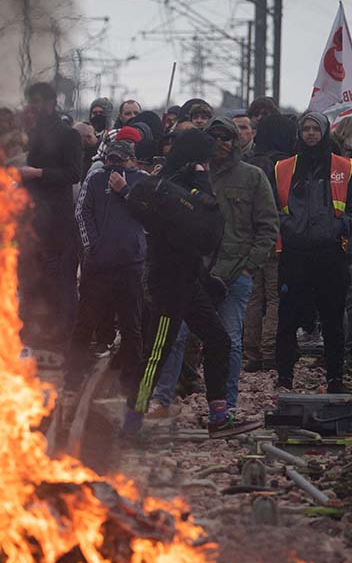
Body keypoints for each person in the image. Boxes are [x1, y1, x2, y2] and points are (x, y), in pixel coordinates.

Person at [110, 129, 262, 439]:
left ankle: (219, 416)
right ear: (194, 159)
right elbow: (186, 221)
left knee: (218, 340)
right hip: (169, 284)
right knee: (156, 354)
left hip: (190, 280)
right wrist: (126, 192)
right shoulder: (170, 186)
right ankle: (132, 421)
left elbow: (203, 228)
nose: (207, 166)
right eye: (204, 160)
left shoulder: (181, 184)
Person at [145, 116, 278, 418]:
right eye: (214, 137)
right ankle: (161, 400)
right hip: (194, 273)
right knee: (175, 338)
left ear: (235, 141)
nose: (221, 143)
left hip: (234, 275)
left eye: (226, 137)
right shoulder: (190, 176)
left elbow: (268, 227)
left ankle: (225, 406)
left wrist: (249, 267)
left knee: (229, 340)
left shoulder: (253, 177)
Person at [64, 138, 148, 396]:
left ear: (131, 160)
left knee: (131, 325)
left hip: (130, 264)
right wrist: (92, 247)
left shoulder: (141, 180)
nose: (115, 165)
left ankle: (130, 382)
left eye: (121, 160)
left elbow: (150, 212)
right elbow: (81, 213)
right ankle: (73, 378)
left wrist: (125, 190)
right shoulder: (95, 179)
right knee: (85, 322)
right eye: (111, 159)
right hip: (98, 264)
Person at [274, 112, 352, 392]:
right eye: (305, 129)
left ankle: (334, 377)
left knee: (332, 318)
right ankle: (284, 377)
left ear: (324, 132)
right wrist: (289, 227)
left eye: (315, 129)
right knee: (288, 318)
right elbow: (273, 209)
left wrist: (338, 227)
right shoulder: (282, 168)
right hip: (295, 253)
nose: (310, 134)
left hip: (330, 252)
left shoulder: (345, 167)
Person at [18, 81, 84, 348]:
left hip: (57, 221)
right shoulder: (32, 134)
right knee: (33, 279)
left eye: (37, 101)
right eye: (30, 101)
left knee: (60, 281)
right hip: (33, 219)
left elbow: (73, 173)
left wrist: (38, 174)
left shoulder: (68, 135)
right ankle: (35, 334)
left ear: (50, 103)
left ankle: (63, 338)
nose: (32, 107)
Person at [243, 113, 296, 371]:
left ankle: (251, 353)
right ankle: (269, 350)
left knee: (253, 296)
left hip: (250, 238)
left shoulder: (249, 162)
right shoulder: (285, 164)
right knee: (275, 296)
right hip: (277, 237)